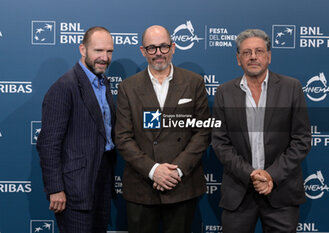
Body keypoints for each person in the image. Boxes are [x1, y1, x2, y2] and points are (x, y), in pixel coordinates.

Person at [211, 29, 311, 233]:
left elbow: (301, 140)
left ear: (269, 56)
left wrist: (271, 175)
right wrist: (251, 174)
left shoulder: (292, 88)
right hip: (239, 193)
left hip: (281, 192)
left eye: (259, 51)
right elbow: (220, 143)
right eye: (246, 52)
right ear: (238, 59)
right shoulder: (224, 92)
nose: (253, 56)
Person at [115, 25, 210, 233]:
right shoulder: (127, 87)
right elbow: (122, 137)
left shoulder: (194, 83)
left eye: (164, 46)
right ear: (143, 51)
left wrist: (176, 170)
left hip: (181, 186)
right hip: (141, 187)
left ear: (173, 47)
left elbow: (202, 132)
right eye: (152, 48)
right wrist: (153, 170)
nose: (158, 53)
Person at [36, 26, 116, 233]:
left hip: (101, 179)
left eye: (109, 52)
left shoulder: (103, 83)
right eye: (98, 51)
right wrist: (55, 189)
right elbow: (48, 144)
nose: (104, 57)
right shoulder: (64, 87)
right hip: (74, 189)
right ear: (83, 49)